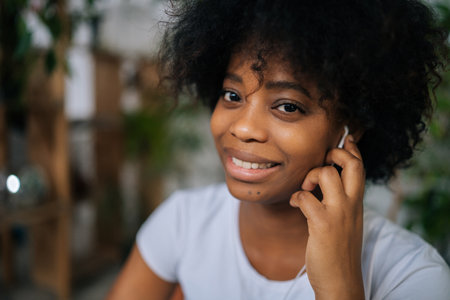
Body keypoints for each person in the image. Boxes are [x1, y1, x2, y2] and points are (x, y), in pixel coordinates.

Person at [106, 0, 450, 299]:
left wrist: (341, 287)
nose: (242, 127)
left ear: (350, 129)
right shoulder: (184, 222)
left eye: (287, 106)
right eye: (232, 95)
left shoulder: (413, 276)